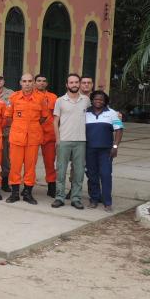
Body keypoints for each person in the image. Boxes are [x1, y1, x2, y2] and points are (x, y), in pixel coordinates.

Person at [5, 73, 48, 204]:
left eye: (30, 81)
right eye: (25, 81)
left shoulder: (41, 98)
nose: (27, 83)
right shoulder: (13, 97)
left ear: (33, 83)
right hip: (17, 137)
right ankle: (15, 193)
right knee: (15, 167)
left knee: (30, 167)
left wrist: (32, 126)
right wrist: (20, 126)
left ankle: (28, 193)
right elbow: (8, 117)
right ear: (20, 83)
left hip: (33, 138)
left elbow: (44, 116)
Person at [51, 74, 90, 209]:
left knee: (78, 172)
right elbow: (55, 121)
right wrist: (57, 139)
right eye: (71, 82)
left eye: (76, 82)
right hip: (64, 140)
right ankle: (59, 197)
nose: (74, 84)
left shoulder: (86, 100)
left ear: (79, 84)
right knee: (61, 171)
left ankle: (76, 198)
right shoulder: (60, 101)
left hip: (81, 141)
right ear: (67, 85)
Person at [85, 90, 123, 212]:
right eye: (96, 99)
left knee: (106, 175)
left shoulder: (112, 113)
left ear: (105, 101)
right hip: (89, 149)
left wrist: (115, 146)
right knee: (92, 175)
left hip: (106, 150)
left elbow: (119, 130)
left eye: (101, 99)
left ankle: (107, 202)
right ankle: (94, 199)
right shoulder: (85, 113)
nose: (98, 101)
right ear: (92, 100)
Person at [35, 74, 58, 198]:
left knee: (49, 162)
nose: (41, 83)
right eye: (38, 81)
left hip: (49, 134)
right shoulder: (31, 96)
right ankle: (28, 186)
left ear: (47, 83)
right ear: (35, 83)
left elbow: (58, 116)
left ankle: (51, 186)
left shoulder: (53, 97)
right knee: (30, 162)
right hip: (33, 133)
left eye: (44, 81)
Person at [0, 72, 14, 191]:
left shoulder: (11, 94)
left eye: (1, 79)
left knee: (5, 158)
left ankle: (5, 181)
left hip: (6, 132)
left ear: (4, 81)